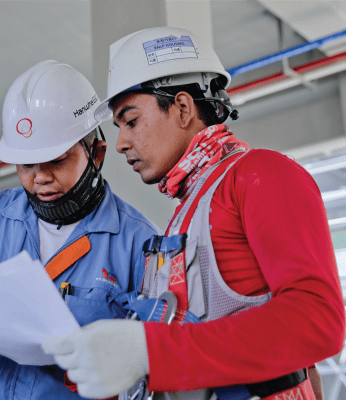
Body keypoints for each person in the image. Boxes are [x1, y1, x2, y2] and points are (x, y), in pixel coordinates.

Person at [42, 27, 345, 400]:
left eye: (131, 121)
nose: (121, 143)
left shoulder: (261, 174)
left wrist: (150, 352)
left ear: (183, 107)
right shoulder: (186, 215)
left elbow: (317, 322)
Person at [0, 60, 160, 399]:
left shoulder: (140, 243)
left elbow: (154, 353)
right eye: (27, 164)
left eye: (57, 160)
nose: (40, 177)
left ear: (96, 153)